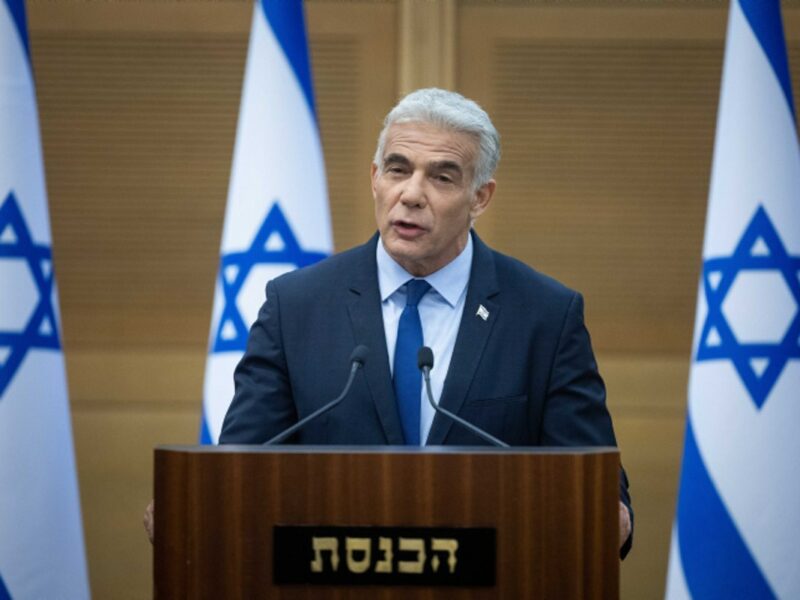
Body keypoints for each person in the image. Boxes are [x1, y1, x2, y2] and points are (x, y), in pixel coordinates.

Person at [145, 88, 632, 556]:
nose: (412, 194)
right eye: (398, 170)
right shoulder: (296, 306)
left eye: (442, 177)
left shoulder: (544, 315)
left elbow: (598, 492)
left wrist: (610, 516)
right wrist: (195, 503)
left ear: (480, 198)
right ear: (374, 177)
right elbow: (240, 467)